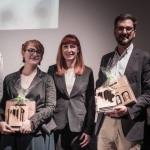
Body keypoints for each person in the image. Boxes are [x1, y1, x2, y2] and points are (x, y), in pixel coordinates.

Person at [95, 14, 150, 150]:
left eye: (128, 29)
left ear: (134, 32)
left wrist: (129, 110)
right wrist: (99, 97)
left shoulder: (144, 57)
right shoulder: (106, 59)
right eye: (120, 28)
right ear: (115, 31)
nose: (124, 32)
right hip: (105, 123)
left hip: (129, 124)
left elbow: (148, 93)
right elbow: (100, 84)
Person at [0, 40, 56, 150]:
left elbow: (51, 107)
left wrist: (32, 122)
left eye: (39, 52)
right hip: (11, 134)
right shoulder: (9, 78)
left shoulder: (47, 79)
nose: (35, 54)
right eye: (31, 50)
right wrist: (1, 122)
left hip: (37, 133)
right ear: (23, 53)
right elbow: (2, 107)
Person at [47, 34, 95, 150]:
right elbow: (48, 99)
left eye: (72, 46)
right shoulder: (53, 70)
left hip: (79, 125)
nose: (69, 50)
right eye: (65, 46)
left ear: (78, 49)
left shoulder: (87, 72)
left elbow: (90, 102)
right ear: (61, 49)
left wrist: (89, 129)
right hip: (57, 124)